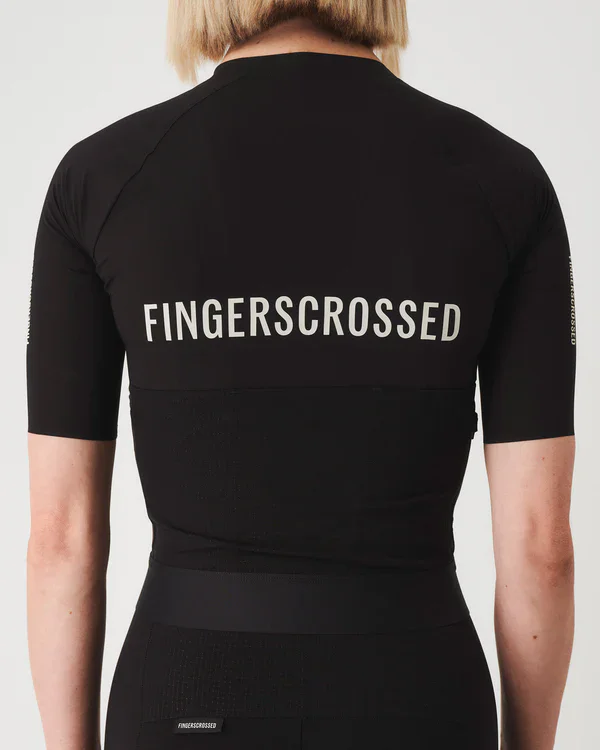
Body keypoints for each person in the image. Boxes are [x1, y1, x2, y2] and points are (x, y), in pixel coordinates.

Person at [25, 2, 576, 749]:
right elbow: (542, 547)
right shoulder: (503, 180)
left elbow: (61, 538)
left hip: (187, 695)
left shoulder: (101, 178)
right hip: (418, 696)